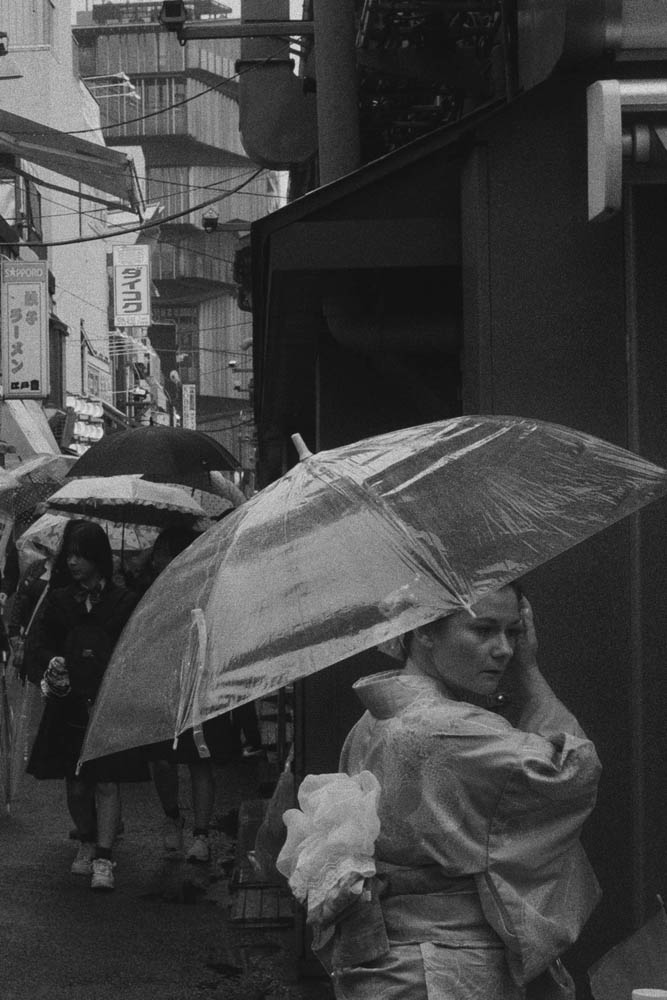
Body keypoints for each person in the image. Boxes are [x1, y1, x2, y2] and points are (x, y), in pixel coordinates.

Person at [278, 584, 601, 999]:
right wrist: (530, 672)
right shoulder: (446, 727)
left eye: (514, 632)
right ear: (424, 631)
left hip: (390, 959)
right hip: (445, 966)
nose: (504, 649)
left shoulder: (373, 720)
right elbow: (574, 770)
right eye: (483, 630)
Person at [26, 520, 145, 892]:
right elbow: (40, 645)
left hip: (108, 701)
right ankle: (86, 839)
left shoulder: (124, 601)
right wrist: (52, 663)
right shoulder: (60, 599)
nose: (74, 562)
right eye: (70, 555)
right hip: (68, 702)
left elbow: (135, 648)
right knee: (77, 784)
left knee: (107, 780)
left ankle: (104, 856)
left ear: (98, 557)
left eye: (81, 555)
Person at [135, 524, 241, 863]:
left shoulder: (211, 587)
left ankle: (201, 833)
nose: (160, 561)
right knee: (161, 760)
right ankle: (172, 817)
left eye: (166, 554)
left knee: (200, 759)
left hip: (201, 682)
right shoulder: (151, 590)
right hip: (163, 682)